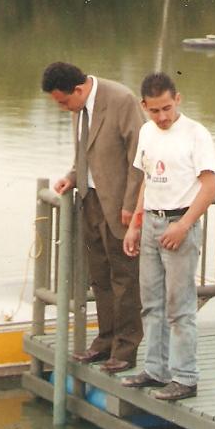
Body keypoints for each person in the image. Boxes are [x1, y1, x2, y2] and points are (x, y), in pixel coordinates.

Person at [120, 72, 215, 401]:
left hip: (180, 223)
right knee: (151, 303)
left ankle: (185, 377)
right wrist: (135, 224)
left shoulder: (195, 134)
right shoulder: (147, 132)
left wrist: (185, 224)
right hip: (151, 222)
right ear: (144, 106)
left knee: (180, 306)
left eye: (167, 108)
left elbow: (209, 186)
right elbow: (147, 180)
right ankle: (155, 369)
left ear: (178, 99)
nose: (162, 117)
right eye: (155, 110)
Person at [42, 62, 144, 374]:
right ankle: (105, 342)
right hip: (91, 200)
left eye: (63, 101)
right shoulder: (79, 109)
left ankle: (126, 350)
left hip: (120, 205)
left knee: (124, 278)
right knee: (99, 274)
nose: (62, 108)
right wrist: (73, 176)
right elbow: (85, 152)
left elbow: (140, 157)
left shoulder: (121, 100)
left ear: (79, 89)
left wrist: (131, 205)